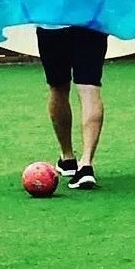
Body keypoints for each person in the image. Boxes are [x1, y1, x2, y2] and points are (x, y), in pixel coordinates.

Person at [36, 25, 108, 190]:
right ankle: (86, 165)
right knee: (89, 88)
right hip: (91, 20)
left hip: (53, 20)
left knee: (58, 87)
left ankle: (68, 159)